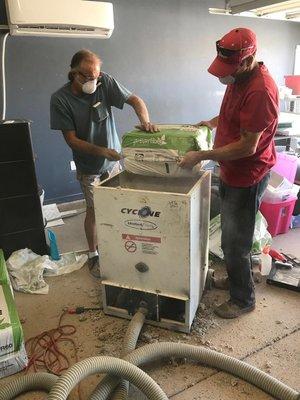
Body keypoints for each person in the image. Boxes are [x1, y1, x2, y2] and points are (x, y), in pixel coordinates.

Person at [180, 28, 279, 319]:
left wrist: (202, 155)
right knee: (230, 235)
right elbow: (234, 112)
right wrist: (211, 123)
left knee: (236, 242)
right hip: (231, 170)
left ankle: (243, 299)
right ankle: (237, 280)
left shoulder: (260, 90)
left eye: (228, 69)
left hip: (247, 175)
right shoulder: (240, 77)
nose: (224, 75)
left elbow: (248, 146)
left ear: (247, 60)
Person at [50, 49, 157, 278]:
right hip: (89, 167)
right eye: (87, 77)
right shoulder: (61, 100)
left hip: (113, 162)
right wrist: (101, 151)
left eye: (96, 76)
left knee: (119, 204)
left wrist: (145, 122)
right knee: (94, 210)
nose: (93, 81)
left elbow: (134, 100)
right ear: (74, 74)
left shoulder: (104, 82)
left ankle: (118, 243)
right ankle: (93, 254)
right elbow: (72, 140)